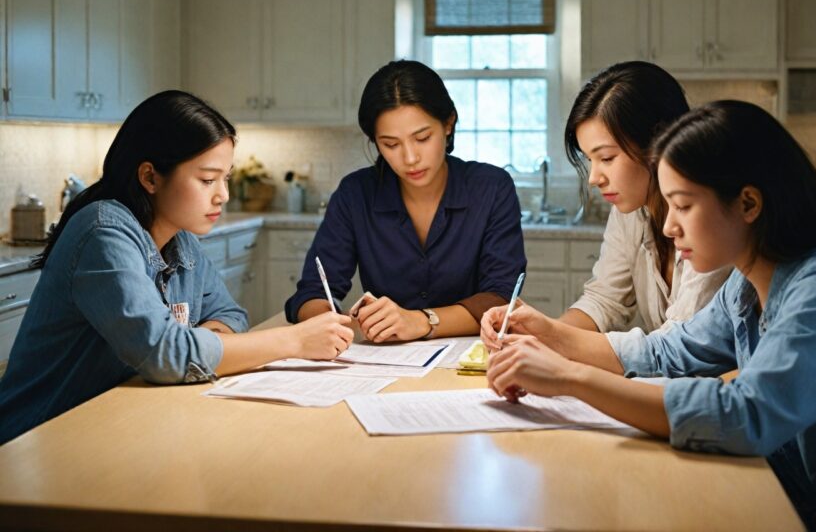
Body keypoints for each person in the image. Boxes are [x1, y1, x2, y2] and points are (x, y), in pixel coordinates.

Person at [482, 101, 816, 526]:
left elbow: (745, 416)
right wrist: (550, 335)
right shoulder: (749, 276)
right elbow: (669, 352)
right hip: (790, 490)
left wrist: (568, 378)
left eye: (683, 205)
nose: (668, 227)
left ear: (748, 203)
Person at [0, 91, 353, 445]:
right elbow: (165, 353)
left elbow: (229, 313)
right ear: (150, 178)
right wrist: (294, 340)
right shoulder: (103, 232)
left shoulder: (179, 238)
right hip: (37, 439)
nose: (223, 196)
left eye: (225, 178)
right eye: (207, 180)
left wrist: (196, 347)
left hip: (117, 427)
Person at [285, 60, 526, 342]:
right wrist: (330, 324)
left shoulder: (491, 188)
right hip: (381, 360)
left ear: (448, 124)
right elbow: (312, 293)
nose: (410, 158)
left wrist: (421, 321)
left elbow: (501, 298)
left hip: (470, 359)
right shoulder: (355, 194)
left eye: (422, 138)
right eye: (391, 144)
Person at [560, 61, 730, 333]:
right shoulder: (630, 208)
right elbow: (605, 299)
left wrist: (556, 344)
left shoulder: (710, 216)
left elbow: (679, 346)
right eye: (589, 159)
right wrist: (545, 333)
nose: (594, 178)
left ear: (658, 141)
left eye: (606, 158)